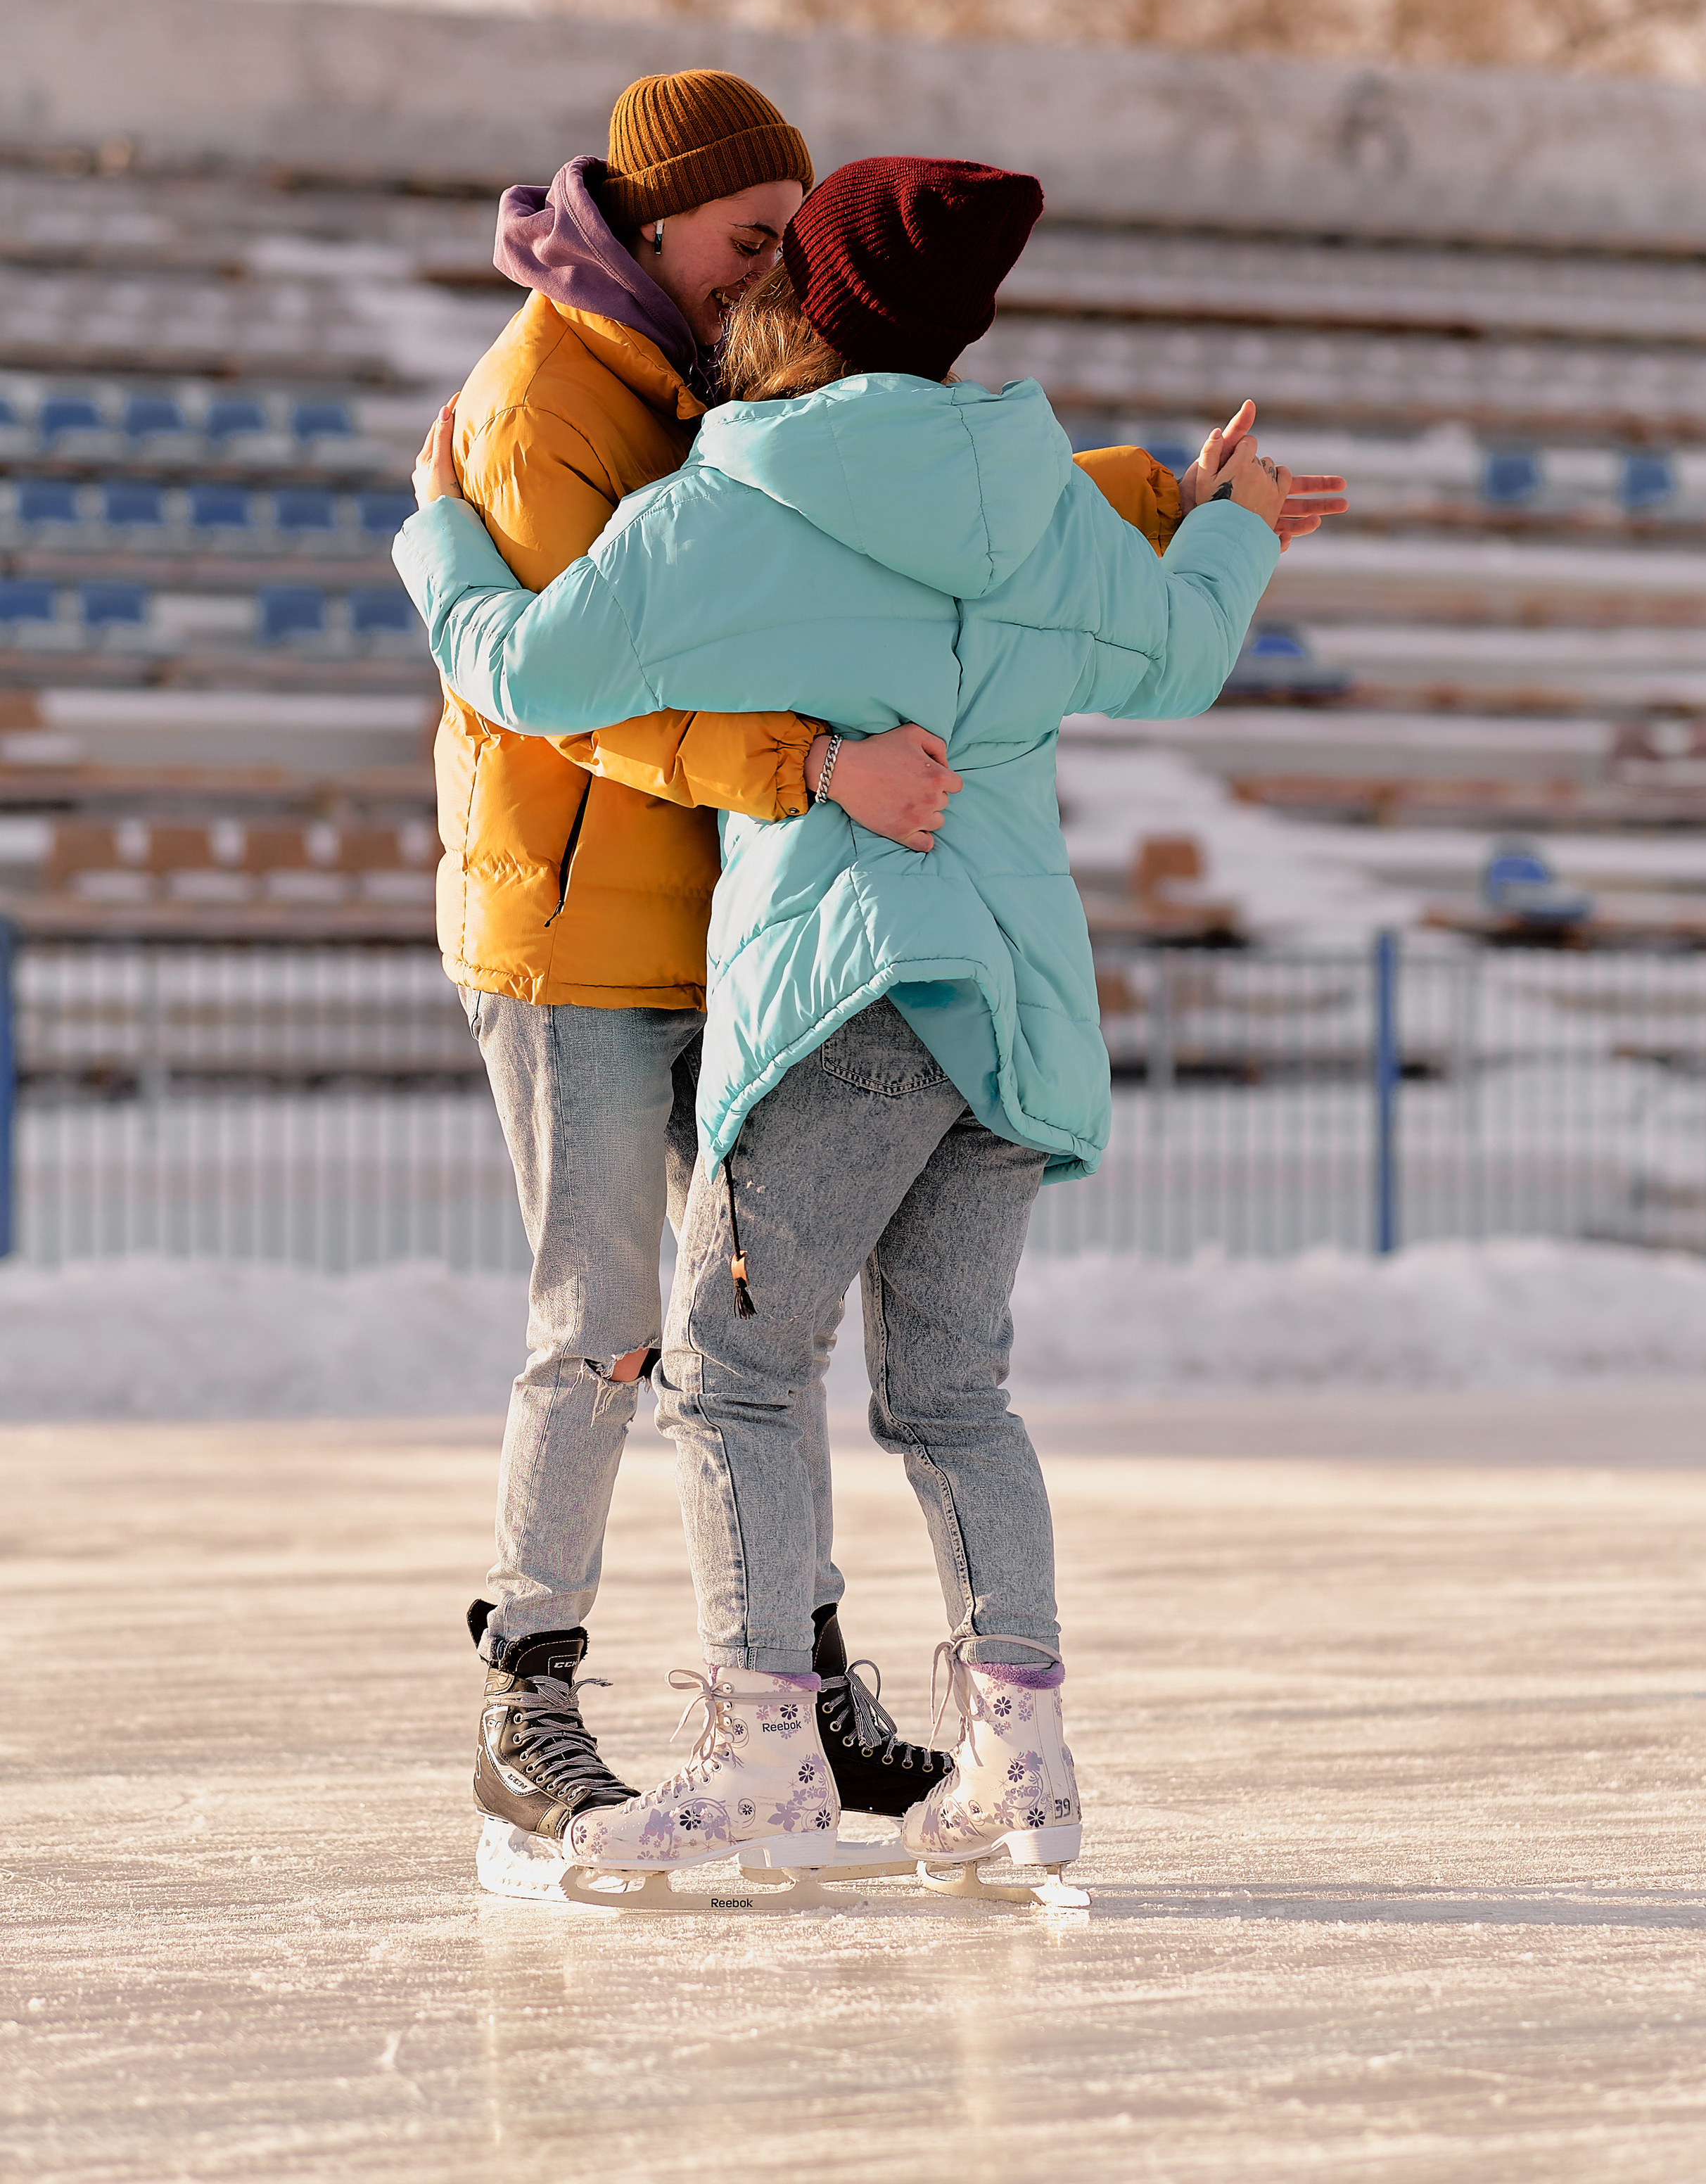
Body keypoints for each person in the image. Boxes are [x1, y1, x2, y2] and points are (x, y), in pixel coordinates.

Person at [401, 155, 1330, 1877]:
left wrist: (435, 531)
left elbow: (527, 675)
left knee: (738, 1378)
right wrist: (1235, 524)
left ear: (804, 299)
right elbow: (1174, 658)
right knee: (956, 1398)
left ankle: (762, 1759)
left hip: (839, 997)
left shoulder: (733, 496)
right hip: (1017, 1010)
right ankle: (1020, 1771)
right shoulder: (1040, 495)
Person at [442, 71, 966, 1838]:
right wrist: (807, 766)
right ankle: (528, 1687)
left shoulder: (714, 376)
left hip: (727, 916)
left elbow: (888, 518)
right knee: (602, 1322)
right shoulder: (542, 408)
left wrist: (1155, 504)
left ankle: (795, 1681)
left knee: (754, 1315)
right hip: (575, 931)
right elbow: (582, 701)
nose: (773, 278)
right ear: (649, 226)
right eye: (751, 241)